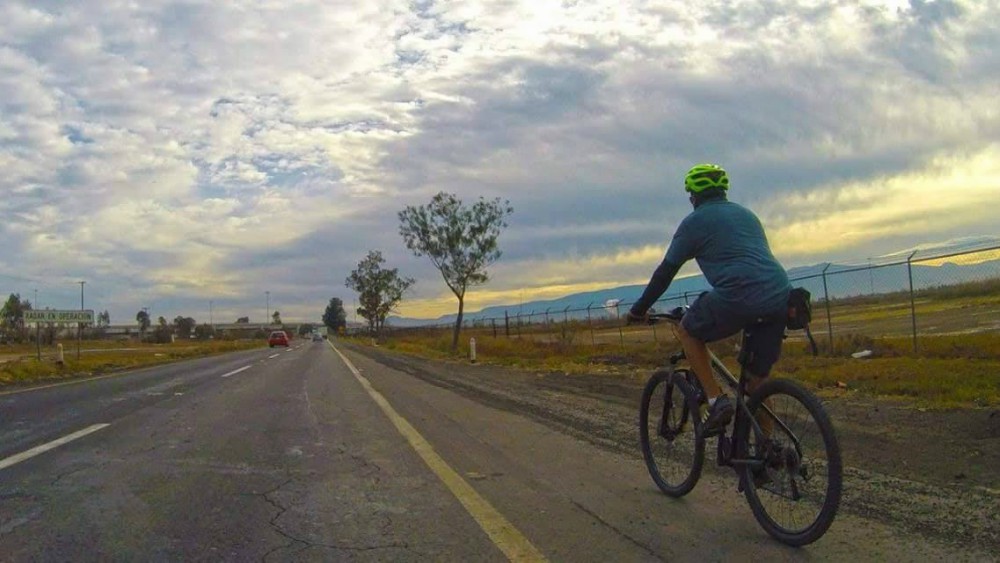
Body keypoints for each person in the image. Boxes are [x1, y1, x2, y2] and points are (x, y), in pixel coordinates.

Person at [626, 163, 790, 435]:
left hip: (738, 295)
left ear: (693, 196)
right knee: (755, 383)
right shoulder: (746, 215)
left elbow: (665, 272)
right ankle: (768, 457)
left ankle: (716, 401)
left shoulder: (694, 223)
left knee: (689, 331)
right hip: (779, 294)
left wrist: (638, 310)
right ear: (722, 190)